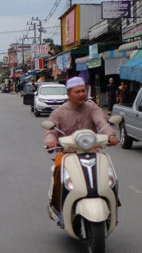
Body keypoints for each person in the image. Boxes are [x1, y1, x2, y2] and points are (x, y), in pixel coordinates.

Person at [44, 77, 119, 213]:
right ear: (68, 94)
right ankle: (58, 206)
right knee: (58, 171)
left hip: (92, 152)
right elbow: (50, 131)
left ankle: (112, 202)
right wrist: (51, 141)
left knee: (108, 174)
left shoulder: (92, 108)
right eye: (77, 92)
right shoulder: (58, 113)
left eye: (83, 91)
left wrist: (110, 135)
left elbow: (101, 122)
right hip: (67, 154)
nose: (81, 94)